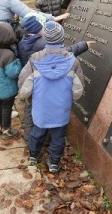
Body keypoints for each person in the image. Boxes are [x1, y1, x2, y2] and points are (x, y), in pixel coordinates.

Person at [18, 21, 84, 173]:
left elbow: (24, 84)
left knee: (37, 132)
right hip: (61, 107)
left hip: (41, 106)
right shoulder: (73, 61)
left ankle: (34, 154)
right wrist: (73, 98)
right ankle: (54, 162)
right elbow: (78, 89)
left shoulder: (35, 59)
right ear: (62, 37)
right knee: (59, 136)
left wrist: (26, 97)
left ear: (45, 38)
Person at [17, 14, 95, 142]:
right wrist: (83, 45)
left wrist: (24, 91)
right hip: (44, 87)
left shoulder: (22, 42)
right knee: (47, 114)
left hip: (32, 84)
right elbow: (62, 54)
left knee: (30, 112)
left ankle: (29, 139)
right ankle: (44, 140)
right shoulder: (42, 45)